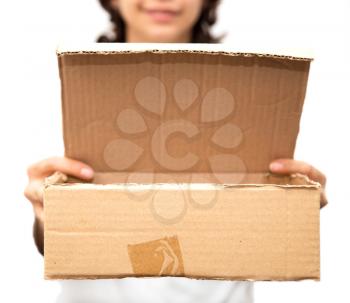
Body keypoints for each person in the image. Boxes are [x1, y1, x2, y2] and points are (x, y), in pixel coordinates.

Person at [24, 0, 327, 302]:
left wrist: (294, 210)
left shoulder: (264, 88)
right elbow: (56, 243)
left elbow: (263, 245)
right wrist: (45, 214)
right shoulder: (68, 88)